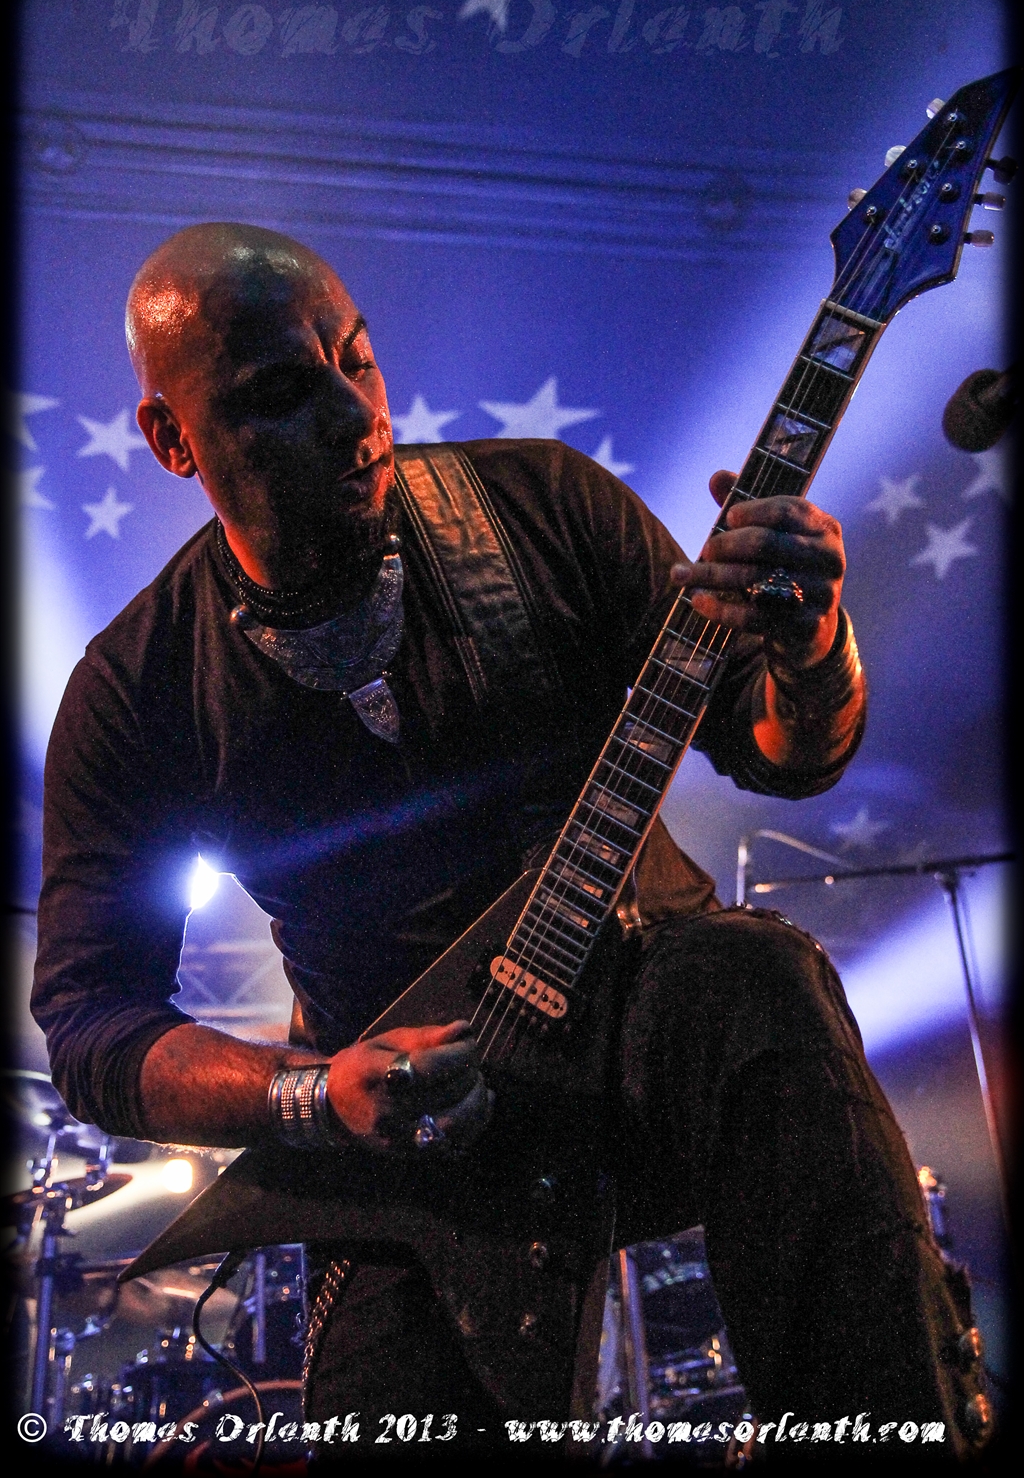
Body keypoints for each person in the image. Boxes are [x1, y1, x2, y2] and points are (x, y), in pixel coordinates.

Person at [32, 224, 988, 1463]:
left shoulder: (541, 503)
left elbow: (777, 752)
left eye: (357, 358)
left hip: (654, 1021)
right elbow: (93, 1023)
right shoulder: (135, 687)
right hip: (414, 1131)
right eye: (279, 391)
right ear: (172, 439)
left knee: (753, 972)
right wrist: (316, 1094)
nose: (355, 416)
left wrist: (811, 651)